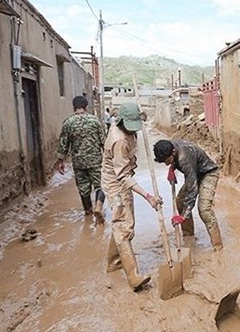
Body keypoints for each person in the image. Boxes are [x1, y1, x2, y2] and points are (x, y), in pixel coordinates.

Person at [101, 102, 162, 291]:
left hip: (122, 180)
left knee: (121, 223)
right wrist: (148, 196)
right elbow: (123, 177)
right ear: (121, 122)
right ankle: (133, 276)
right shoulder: (119, 140)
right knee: (125, 226)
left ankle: (114, 262)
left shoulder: (128, 129)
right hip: (116, 185)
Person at [152, 139, 223, 251]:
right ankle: (188, 236)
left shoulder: (184, 159)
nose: (166, 164)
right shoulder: (169, 146)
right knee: (180, 202)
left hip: (208, 173)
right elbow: (189, 180)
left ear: (174, 152)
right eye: (164, 162)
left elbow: (192, 190)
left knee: (204, 210)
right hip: (194, 173)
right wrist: (172, 168)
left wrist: (183, 216)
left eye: (168, 161)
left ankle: (218, 248)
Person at [56, 95, 106, 223]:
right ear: (85, 107)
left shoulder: (68, 123)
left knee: (83, 187)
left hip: (79, 162)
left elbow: (63, 144)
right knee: (100, 185)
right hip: (95, 160)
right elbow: (103, 141)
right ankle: (99, 207)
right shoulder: (95, 121)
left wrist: (60, 161)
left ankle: (88, 212)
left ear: (74, 107)